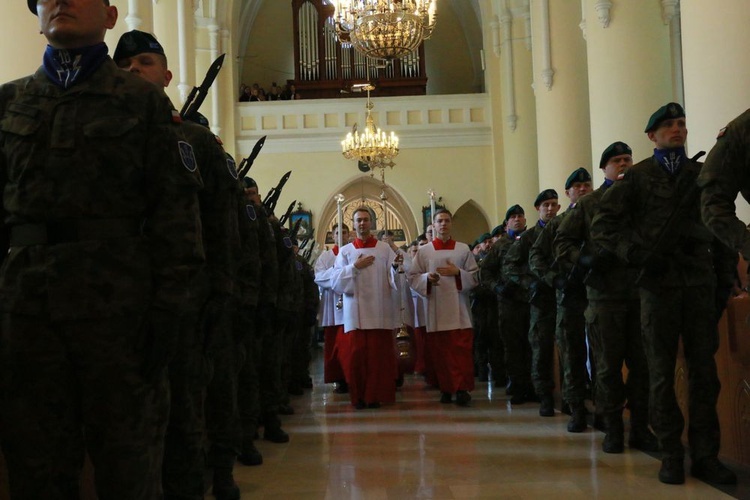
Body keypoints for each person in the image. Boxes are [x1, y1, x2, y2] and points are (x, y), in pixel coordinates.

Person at [0, 2, 204, 498]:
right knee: (36, 469)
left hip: (121, 316)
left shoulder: (142, 101)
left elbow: (176, 221)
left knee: (127, 469)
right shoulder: (8, 103)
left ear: (112, 17)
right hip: (26, 315)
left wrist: (166, 317)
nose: (62, 0)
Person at [113, 29, 241, 500]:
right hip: (118, 298)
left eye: (144, 63)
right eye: (124, 65)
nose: (133, 71)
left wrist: (220, 295)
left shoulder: (195, 142)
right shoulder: (104, 134)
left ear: (166, 74)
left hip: (186, 300)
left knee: (188, 409)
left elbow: (222, 230)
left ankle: (213, 473)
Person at [591, 103, 737, 485]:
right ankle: (671, 452)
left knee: (705, 375)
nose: (678, 130)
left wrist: (724, 282)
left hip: (699, 286)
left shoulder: (702, 174)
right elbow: (604, 228)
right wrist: (635, 254)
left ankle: (706, 455)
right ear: (652, 136)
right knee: (659, 374)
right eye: (669, 125)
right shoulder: (636, 179)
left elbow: (720, 228)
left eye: (682, 124)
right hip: (657, 290)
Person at [555, 143, 658, 453]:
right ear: (605, 169)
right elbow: (563, 243)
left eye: (628, 158)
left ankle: (640, 427)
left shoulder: (644, 198)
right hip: (604, 297)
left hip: (641, 292)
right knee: (607, 367)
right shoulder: (590, 204)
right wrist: (584, 260)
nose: (624, 163)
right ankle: (612, 427)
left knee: (643, 367)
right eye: (617, 160)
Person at [529, 168, 593, 431]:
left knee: (603, 356)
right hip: (569, 297)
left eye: (586, 185)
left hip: (602, 295)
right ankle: (576, 408)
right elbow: (536, 257)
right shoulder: (557, 224)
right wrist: (554, 279)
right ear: (569, 193)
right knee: (572, 354)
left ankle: (604, 408)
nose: (582, 189)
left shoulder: (602, 215)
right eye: (577, 187)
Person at [409, 209, 478, 405]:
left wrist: (458, 272)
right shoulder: (424, 251)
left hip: (459, 308)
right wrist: (426, 279)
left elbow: (474, 276)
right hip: (436, 307)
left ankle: (463, 389)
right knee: (441, 353)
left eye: (447, 220)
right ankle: (446, 388)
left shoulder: (463, 249)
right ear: (434, 225)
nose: (444, 224)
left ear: (451, 224)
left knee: (461, 352)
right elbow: (413, 277)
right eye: (440, 221)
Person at [331, 207, 399, 409]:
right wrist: (354, 267)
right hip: (356, 312)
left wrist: (396, 268)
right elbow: (335, 281)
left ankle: (374, 396)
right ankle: (359, 396)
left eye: (366, 220)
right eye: (358, 220)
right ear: (353, 224)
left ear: (372, 223)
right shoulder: (346, 252)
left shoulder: (384, 249)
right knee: (356, 357)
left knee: (377, 358)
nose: (362, 223)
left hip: (379, 310)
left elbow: (394, 276)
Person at [504, 190, 561, 416]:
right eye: (545, 205)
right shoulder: (528, 238)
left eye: (553, 205)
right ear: (538, 208)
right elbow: (510, 266)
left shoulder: (565, 229)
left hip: (564, 296)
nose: (550, 209)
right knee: (541, 347)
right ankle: (544, 394)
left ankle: (567, 395)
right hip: (540, 299)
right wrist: (530, 284)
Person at [480, 205, 529, 403]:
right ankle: (516, 384)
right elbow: (486, 272)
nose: (517, 220)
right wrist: (497, 288)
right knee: (512, 345)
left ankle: (533, 386)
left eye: (520, 216)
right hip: (508, 302)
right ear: (506, 223)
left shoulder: (532, 239)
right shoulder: (500, 245)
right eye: (513, 217)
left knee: (532, 345)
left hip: (531, 300)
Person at [315, 223, 351, 393]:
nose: (342, 235)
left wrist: (342, 275)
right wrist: (339, 276)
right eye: (338, 233)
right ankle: (338, 377)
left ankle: (351, 376)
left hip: (351, 302)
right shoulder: (325, 257)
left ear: (349, 234)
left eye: (344, 232)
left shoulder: (353, 252)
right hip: (332, 304)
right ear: (333, 236)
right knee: (333, 341)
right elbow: (319, 277)